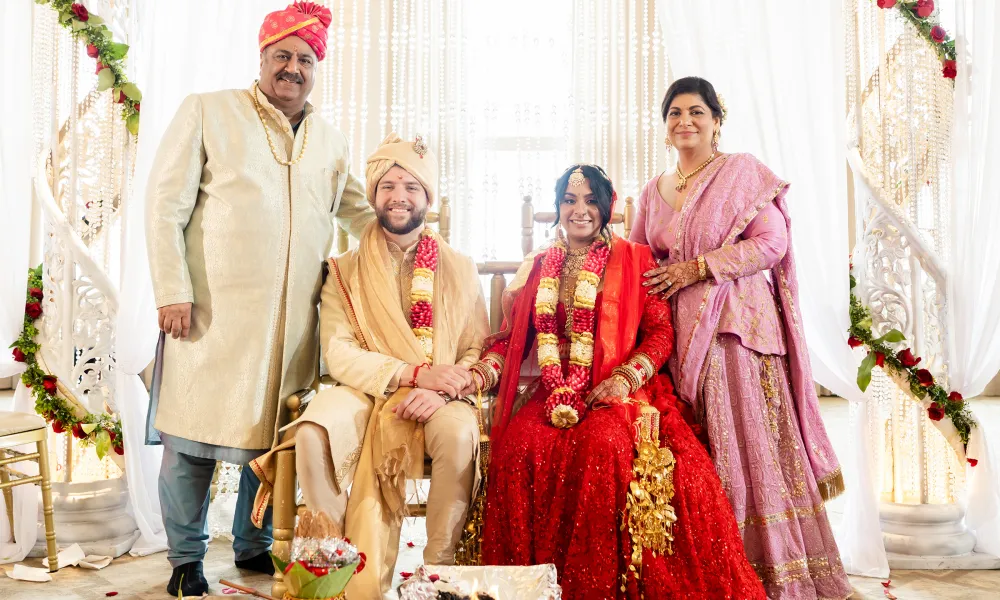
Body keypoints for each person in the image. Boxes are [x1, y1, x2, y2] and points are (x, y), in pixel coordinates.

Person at [144, 2, 373, 596]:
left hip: (295, 322)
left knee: (270, 442)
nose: (293, 68)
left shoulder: (329, 140)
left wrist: (415, 225)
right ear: (262, 58)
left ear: (317, 68)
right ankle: (185, 560)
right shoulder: (209, 111)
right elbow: (163, 207)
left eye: (305, 59)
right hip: (210, 318)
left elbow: (359, 212)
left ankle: (253, 547)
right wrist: (173, 291)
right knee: (190, 442)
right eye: (283, 56)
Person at [472, 164, 766, 599]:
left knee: (603, 448)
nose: (580, 210)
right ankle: (525, 587)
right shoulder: (540, 267)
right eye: (570, 201)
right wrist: (481, 371)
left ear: (607, 207)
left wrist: (626, 378)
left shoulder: (635, 258)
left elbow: (661, 334)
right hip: (556, 389)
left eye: (591, 200)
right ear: (558, 209)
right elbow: (515, 335)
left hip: (618, 386)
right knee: (518, 448)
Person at [630, 76, 852, 599]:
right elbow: (639, 258)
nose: (685, 120)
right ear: (665, 127)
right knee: (700, 447)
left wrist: (699, 268)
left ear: (716, 120)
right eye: (675, 113)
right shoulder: (651, 191)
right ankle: (712, 569)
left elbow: (772, 242)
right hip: (679, 335)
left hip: (737, 327)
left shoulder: (742, 173)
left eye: (696, 112)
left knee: (744, 444)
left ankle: (768, 571)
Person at [250, 133, 491, 600]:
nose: (399, 197)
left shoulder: (459, 267)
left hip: (442, 392)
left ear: (428, 198)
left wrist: (440, 388)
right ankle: (334, 570)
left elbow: (475, 349)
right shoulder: (344, 269)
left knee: (460, 435)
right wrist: (410, 374)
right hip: (368, 389)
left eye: (411, 187)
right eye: (388, 186)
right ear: (374, 195)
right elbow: (338, 352)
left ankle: (439, 575)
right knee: (314, 428)